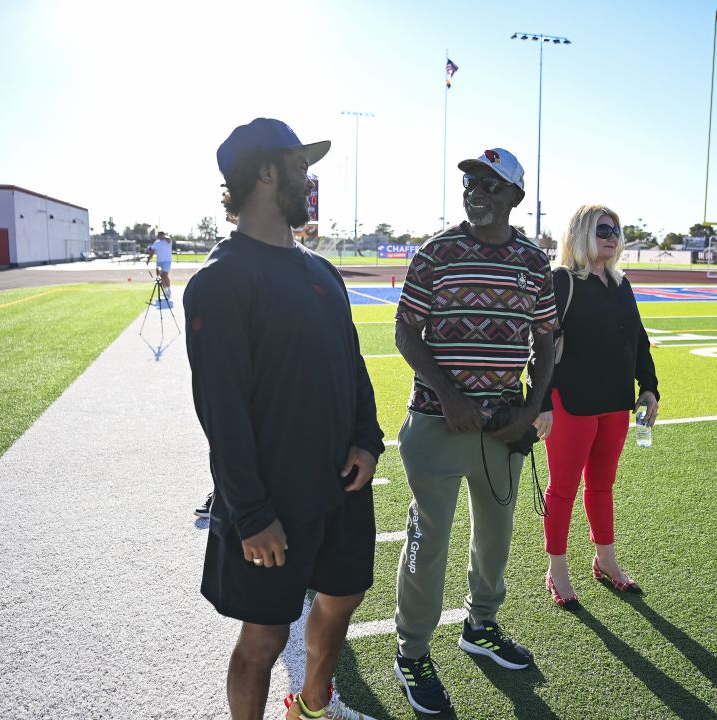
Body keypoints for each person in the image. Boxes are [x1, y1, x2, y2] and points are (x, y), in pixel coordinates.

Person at [184, 117, 384, 720]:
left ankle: (313, 705)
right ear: (267, 172)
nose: (309, 178)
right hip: (273, 501)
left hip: (341, 486)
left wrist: (367, 440)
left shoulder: (321, 270)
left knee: (344, 597)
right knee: (265, 639)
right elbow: (221, 411)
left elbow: (353, 368)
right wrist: (250, 513)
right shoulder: (221, 282)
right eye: (301, 167)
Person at [391, 147, 557, 715]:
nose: (477, 192)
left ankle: (480, 626)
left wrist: (531, 409)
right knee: (429, 539)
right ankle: (412, 650)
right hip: (438, 424)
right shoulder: (437, 253)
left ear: (516, 196)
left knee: (495, 537)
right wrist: (449, 393)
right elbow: (406, 333)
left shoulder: (534, 263)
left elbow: (547, 343)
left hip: (502, 429)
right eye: (470, 183)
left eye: (490, 184)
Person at [538, 204, 659, 610]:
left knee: (603, 484)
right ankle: (557, 570)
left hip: (616, 402)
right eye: (602, 229)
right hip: (569, 402)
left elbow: (638, 338)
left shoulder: (621, 283)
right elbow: (540, 346)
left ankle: (605, 560)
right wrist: (541, 404)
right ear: (581, 234)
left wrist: (650, 388)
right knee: (563, 490)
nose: (612, 236)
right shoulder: (561, 280)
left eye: (616, 230)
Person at [146, 231, 174, 298]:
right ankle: (165, 289)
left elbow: (168, 239)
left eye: (160, 235)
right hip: (159, 262)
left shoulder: (167, 240)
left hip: (167, 261)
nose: (158, 236)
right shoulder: (156, 243)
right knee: (160, 276)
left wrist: (163, 236)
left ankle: (168, 289)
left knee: (165, 275)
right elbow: (152, 252)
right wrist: (148, 260)